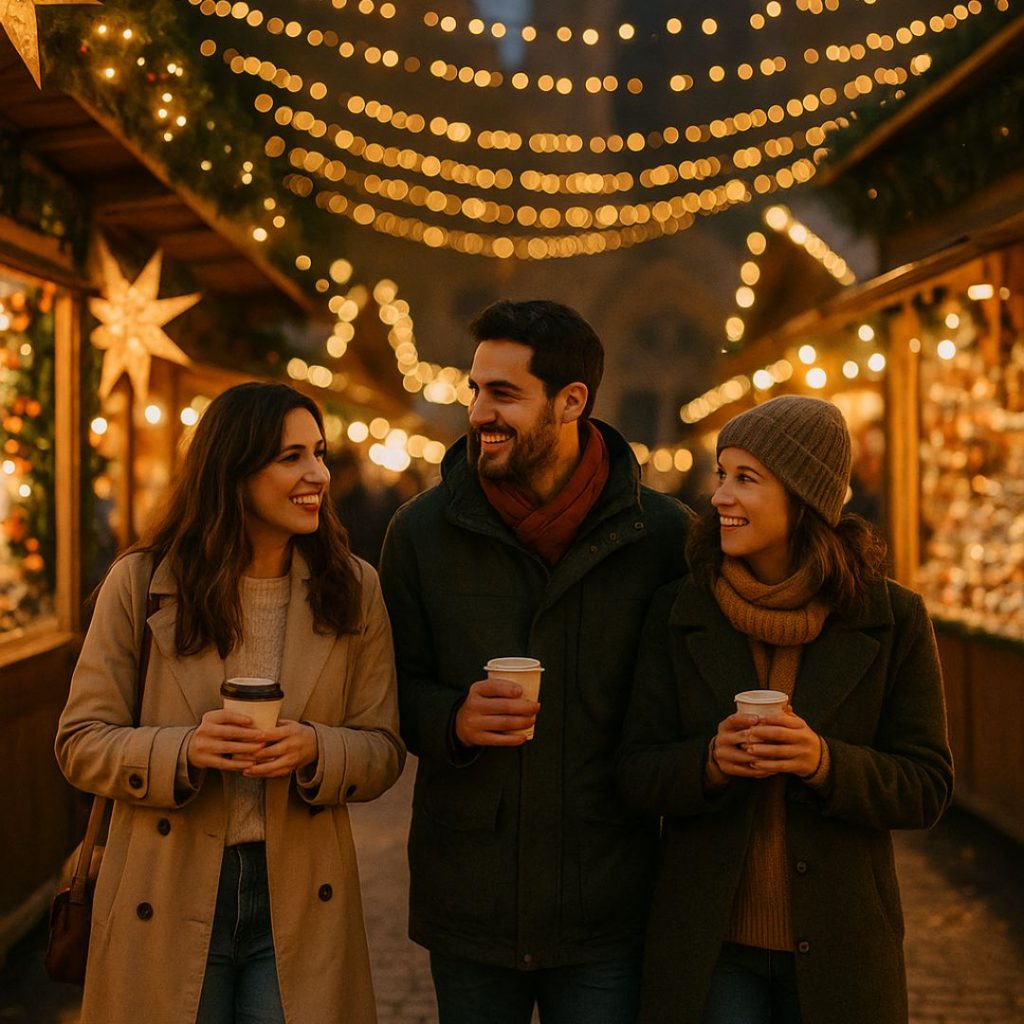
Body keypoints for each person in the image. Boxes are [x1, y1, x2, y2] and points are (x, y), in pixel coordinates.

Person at [379, 299, 689, 1024]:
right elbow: (385, 690)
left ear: (572, 400)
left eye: (504, 393)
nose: (480, 411)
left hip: (607, 898)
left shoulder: (663, 538)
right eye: (476, 390)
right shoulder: (420, 533)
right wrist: (452, 717)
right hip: (472, 899)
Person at [56, 382, 405, 1024]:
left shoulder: (353, 588)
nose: (317, 475)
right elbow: (80, 741)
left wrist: (315, 747)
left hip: (300, 895)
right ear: (232, 471)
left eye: (319, 453)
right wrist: (184, 751)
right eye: (290, 457)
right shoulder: (142, 582)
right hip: (163, 885)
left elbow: (383, 748)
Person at [617, 395, 953, 1024]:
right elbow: (635, 770)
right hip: (712, 950)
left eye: (747, 479)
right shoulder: (680, 610)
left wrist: (825, 762)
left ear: (805, 500)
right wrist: (708, 763)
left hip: (843, 943)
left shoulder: (892, 619)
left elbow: (926, 787)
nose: (719, 496)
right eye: (722, 474)